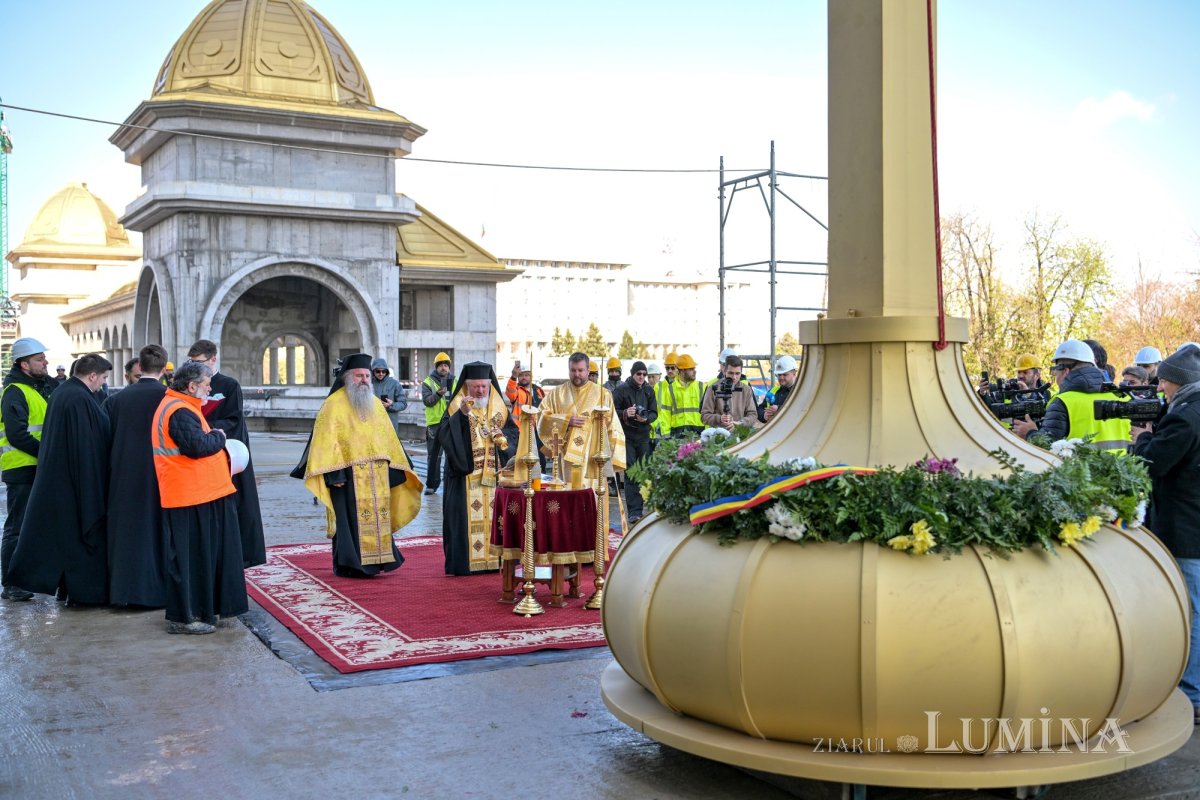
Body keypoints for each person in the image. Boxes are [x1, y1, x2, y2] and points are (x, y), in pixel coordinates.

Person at [296, 354, 423, 578]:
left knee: (379, 519)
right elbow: (327, 442)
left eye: (366, 376)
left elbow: (388, 438)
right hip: (347, 475)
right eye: (359, 376)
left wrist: (396, 469)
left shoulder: (374, 403)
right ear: (347, 378)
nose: (364, 380)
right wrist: (334, 475)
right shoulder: (333, 405)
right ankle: (350, 564)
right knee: (349, 521)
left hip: (377, 475)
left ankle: (379, 560)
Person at [1130, 344, 1200, 725]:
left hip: (1185, 528)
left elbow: (1152, 463)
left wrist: (1142, 438)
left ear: (1178, 381)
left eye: (1164, 381)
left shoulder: (1185, 418)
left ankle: (1191, 694)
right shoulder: (1188, 411)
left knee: (1190, 611)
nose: (1159, 388)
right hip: (1193, 524)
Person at [8, 354, 113, 606]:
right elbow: (85, 446)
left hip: (63, 480)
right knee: (74, 538)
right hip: (75, 483)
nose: (103, 383)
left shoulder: (65, 393)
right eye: (103, 378)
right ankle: (81, 594)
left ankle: (69, 590)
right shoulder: (77, 398)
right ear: (92, 375)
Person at [151, 361, 247, 634]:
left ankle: (202, 610)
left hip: (198, 493)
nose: (210, 389)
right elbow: (196, 446)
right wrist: (219, 436)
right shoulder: (179, 410)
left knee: (200, 557)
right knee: (190, 560)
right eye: (206, 385)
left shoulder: (184, 406)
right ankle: (186, 617)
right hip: (189, 494)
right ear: (192, 386)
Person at [188, 339, 266, 568]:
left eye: (200, 362)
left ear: (213, 359)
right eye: (192, 363)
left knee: (236, 502)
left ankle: (242, 553)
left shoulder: (229, 385)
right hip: (198, 451)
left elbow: (234, 420)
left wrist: (205, 428)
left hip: (225, 450)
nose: (195, 367)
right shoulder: (190, 385)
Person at [436, 362, 518, 575]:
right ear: (467, 386)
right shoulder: (456, 407)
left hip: (495, 477)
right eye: (476, 387)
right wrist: (462, 416)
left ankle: (496, 560)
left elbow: (514, 434)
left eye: (484, 386)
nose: (480, 391)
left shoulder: (499, 407)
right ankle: (466, 564)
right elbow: (444, 434)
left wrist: (502, 437)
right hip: (465, 477)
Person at [103, 345, 169, 607]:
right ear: (164, 368)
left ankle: (125, 592)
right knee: (160, 533)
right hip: (163, 475)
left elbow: (104, 440)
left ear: (139, 366)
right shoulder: (171, 398)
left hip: (124, 475)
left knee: (127, 534)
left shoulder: (116, 400)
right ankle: (159, 593)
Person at [1, 337, 56, 601]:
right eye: (39, 359)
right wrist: (47, 454)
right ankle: (11, 584)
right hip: (22, 468)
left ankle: (31, 578)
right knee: (17, 528)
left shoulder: (38, 387)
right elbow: (17, 435)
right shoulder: (15, 391)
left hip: (36, 466)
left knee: (34, 526)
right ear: (24, 364)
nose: (45, 362)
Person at [1011, 338, 1130, 450]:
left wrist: (1030, 433)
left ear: (1065, 371)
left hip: (1078, 466)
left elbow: (1047, 447)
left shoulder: (1062, 402)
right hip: (1122, 466)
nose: (1055, 376)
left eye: (1055, 371)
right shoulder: (1123, 398)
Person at [539, 352, 626, 492]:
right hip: (566, 458)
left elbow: (613, 426)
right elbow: (542, 416)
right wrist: (566, 421)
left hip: (593, 457)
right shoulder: (557, 394)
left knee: (593, 498)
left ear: (588, 370)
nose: (577, 374)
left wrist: (614, 457)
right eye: (573, 370)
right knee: (567, 495)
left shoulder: (603, 394)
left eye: (580, 370)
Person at [612, 360, 657, 523]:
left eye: (644, 374)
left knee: (643, 472)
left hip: (643, 436)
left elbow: (654, 413)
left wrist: (645, 418)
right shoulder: (621, 390)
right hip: (628, 437)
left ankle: (643, 508)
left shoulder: (648, 390)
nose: (642, 377)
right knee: (631, 473)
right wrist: (625, 412)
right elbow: (612, 412)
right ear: (632, 374)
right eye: (639, 374)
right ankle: (634, 511)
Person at [421, 352, 454, 496]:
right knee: (434, 456)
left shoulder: (455, 380)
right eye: (440, 365)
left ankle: (450, 483)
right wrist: (439, 393)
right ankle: (432, 485)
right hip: (435, 424)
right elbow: (427, 402)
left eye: (446, 365)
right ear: (436, 367)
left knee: (452, 455)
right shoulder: (428, 382)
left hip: (451, 422)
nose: (443, 368)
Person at [701, 355, 760, 431]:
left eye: (737, 373)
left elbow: (753, 415)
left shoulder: (746, 389)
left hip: (740, 434)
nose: (734, 377)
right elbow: (704, 416)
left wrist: (740, 424)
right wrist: (719, 418)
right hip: (718, 435)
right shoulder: (713, 388)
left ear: (741, 372)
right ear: (724, 371)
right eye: (731, 373)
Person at [370, 357, 408, 437]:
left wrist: (391, 405)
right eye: (378, 371)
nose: (381, 373)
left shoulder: (395, 384)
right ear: (373, 371)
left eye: (383, 371)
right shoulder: (368, 384)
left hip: (390, 426)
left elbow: (403, 404)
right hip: (372, 425)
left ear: (387, 371)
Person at [669, 354, 704, 438]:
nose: (695, 371)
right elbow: (665, 415)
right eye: (691, 369)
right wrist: (666, 436)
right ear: (682, 371)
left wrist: (708, 434)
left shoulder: (702, 387)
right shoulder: (670, 389)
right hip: (676, 436)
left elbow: (708, 412)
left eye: (694, 368)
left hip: (699, 434)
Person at [505, 359, 545, 425]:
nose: (523, 377)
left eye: (526, 375)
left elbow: (544, 408)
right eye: (521, 375)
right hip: (519, 427)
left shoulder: (539, 390)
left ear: (531, 377)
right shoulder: (516, 390)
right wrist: (513, 377)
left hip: (536, 427)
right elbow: (510, 392)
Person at [762, 354, 799, 423]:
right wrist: (764, 416)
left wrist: (779, 409)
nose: (781, 377)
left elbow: (801, 410)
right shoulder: (773, 391)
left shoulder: (801, 391)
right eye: (779, 375)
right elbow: (760, 408)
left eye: (785, 374)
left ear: (794, 374)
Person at [646, 361, 670, 448]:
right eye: (649, 377)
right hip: (649, 431)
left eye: (653, 376)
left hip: (663, 430)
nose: (651, 379)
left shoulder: (666, 388)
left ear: (659, 376)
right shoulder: (645, 390)